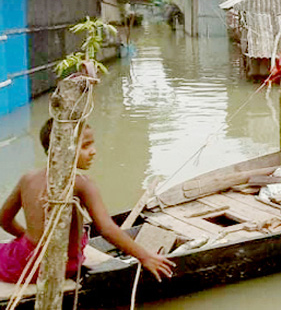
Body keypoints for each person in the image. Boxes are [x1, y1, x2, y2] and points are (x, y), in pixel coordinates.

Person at [0, 119, 174, 283]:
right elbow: (106, 229)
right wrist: (145, 256)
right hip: (55, 267)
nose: (93, 151)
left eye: (92, 143)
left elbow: (4, 220)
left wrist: (29, 240)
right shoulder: (82, 183)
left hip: (24, 259)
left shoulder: (27, 178)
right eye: (85, 146)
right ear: (60, 150)